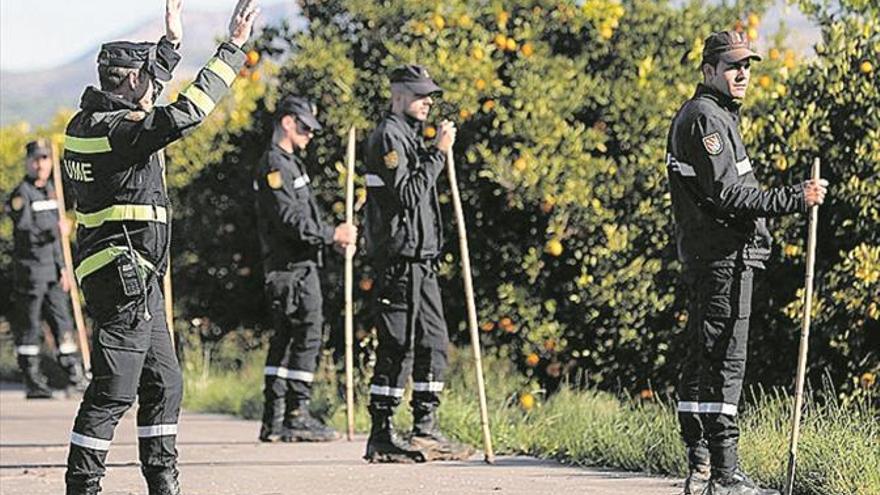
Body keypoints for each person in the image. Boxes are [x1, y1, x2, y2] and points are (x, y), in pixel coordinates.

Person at [61, 1, 259, 493]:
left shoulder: (92, 124)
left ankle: (162, 480)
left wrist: (170, 45)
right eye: (149, 75)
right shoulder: (119, 133)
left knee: (164, 383)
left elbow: (146, 100)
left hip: (135, 276)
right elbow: (183, 113)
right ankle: (82, 485)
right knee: (113, 391)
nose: (154, 82)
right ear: (129, 81)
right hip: (122, 278)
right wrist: (232, 48)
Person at [665, 30, 828, 495]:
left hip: (720, 257)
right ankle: (723, 473)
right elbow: (728, 194)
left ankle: (700, 468)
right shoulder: (705, 120)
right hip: (723, 258)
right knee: (724, 363)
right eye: (733, 65)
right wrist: (796, 197)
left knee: (707, 358)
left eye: (747, 66)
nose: (742, 73)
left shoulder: (716, 116)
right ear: (709, 71)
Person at [362, 65, 471, 463]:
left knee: (433, 342)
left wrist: (432, 151)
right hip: (398, 260)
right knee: (397, 346)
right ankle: (382, 434)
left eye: (429, 96)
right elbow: (408, 193)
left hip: (421, 261)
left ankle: (425, 427)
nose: (428, 102)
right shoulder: (388, 135)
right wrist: (439, 153)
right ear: (399, 94)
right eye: (421, 95)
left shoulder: (408, 136)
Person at [254, 95, 357, 442]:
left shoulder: (289, 163)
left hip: (298, 265)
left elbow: (303, 217)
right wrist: (331, 234)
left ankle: (275, 419)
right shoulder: (275, 165)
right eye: (304, 127)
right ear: (287, 123)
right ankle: (294, 416)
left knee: (287, 338)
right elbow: (290, 220)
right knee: (307, 335)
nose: (310, 135)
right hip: (291, 269)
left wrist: (333, 238)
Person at [6, 139, 87, 399]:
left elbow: (59, 245)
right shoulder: (21, 194)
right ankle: (33, 381)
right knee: (30, 327)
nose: (40, 164)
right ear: (28, 162)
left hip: (53, 272)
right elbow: (24, 232)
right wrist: (53, 231)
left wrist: (64, 268)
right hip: (31, 273)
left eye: (44, 159)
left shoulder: (54, 192)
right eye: (35, 159)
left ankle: (74, 375)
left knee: (63, 322)